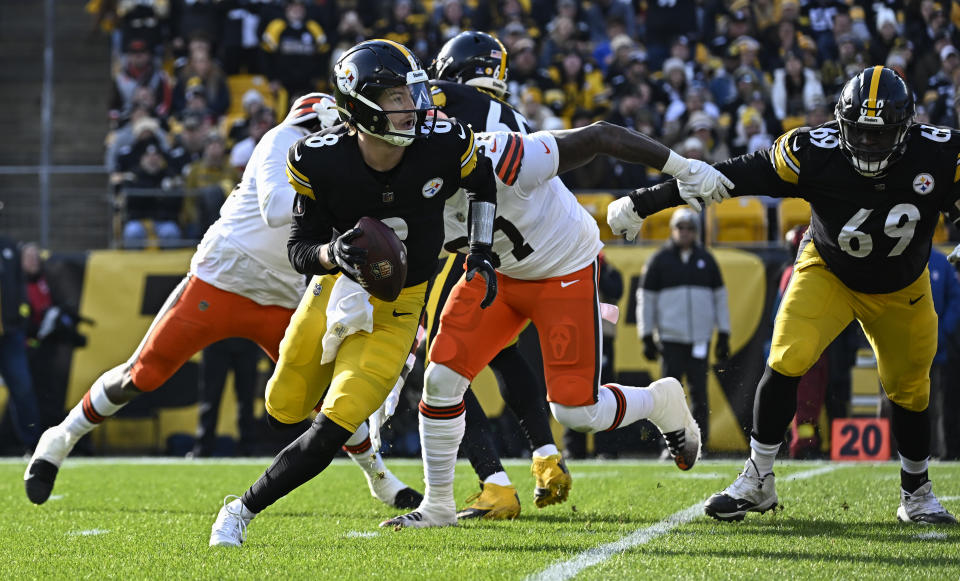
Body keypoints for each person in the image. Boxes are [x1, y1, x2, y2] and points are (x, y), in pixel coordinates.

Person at [25, 91, 420, 512]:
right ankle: (60, 437)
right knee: (143, 373)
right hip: (225, 278)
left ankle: (379, 479)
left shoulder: (347, 160)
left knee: (326, 397)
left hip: (283, 294)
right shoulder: (282, 139)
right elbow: (275, 208)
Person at [612, 66, 957, 524]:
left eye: (881, 135)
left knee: (910, 389)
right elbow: (724, 177)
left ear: (906, 128)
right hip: (828, 269)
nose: (870, 145)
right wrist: (644, 202)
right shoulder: (812, 151)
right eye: (860, 133)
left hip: (901, 285)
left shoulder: (940, 151)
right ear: (840, 124)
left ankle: (916, 494)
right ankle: (758, 479)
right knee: (786, 357)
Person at [207, 39, 501, 546]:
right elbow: (300, 248)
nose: (412, 108)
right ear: (361, 105)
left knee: (334, 424)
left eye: (411, 94)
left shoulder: (444, 139)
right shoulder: (319, 159)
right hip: (334, 288)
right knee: (282, 408)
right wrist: (332, 255)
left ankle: (239, 510)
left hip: (401, 304)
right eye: (395, 99)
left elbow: (483, 183)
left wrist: (479, 247)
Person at [381, 118, 734, 528]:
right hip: (495, 272)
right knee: (440, 379)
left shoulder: (504, 157)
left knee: (575, 412)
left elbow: (601, 135)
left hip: (562, 267)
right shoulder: (401, 200)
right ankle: (438, 506)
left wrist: (682, 167)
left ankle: (660, 401)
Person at [427, 30, 568, 520]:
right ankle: (548, 459)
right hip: (521, 259)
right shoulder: (524, 124)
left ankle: (494, 483)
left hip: (467, 252)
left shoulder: (443, 104)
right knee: (506, 359)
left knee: (440, 376)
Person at [637, 207, 730, 448]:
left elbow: (720, 297)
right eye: (681, 227)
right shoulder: (659, 260)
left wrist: (724, 333)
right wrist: (646, 335)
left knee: (699, 392)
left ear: (696, 232)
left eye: (690, 228)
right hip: (670, 338)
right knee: (668, 396)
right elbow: (646, 299)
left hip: (700, 337)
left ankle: (699, 444)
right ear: (673, 230)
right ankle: (671, 446)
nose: (685, 232)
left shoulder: (707, 260)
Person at [0, 235, 41, 454]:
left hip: (9, 334)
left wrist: (21, 320)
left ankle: (33, 445)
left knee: (23, 388)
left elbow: (20, 289)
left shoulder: (9, 248)